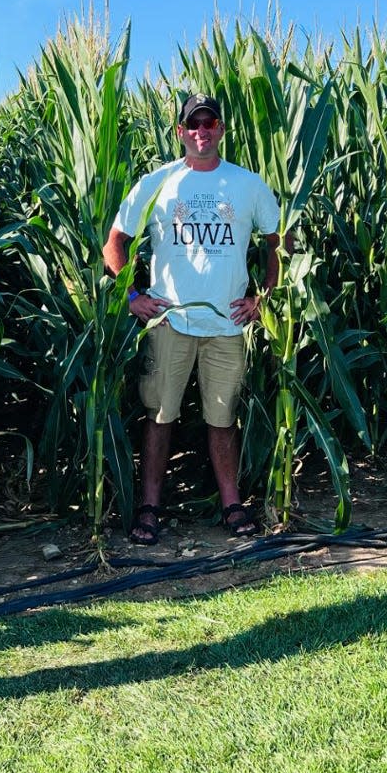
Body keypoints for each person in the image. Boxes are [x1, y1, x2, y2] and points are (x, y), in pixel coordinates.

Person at [102, 93, 283, 543]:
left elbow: (277, 242)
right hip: (169, 323)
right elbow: (115, 243)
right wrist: (132, 297)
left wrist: (262, 297)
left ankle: (231, 506)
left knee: (222, 420)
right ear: (180, 132)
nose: (202, 131)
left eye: (210, 122)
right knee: (159, 416)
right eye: (193, 124)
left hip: (227, 325)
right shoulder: (158, 182)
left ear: (221, 129)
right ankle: (148, 508)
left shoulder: (247, 185)